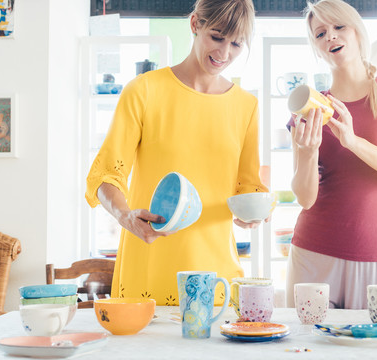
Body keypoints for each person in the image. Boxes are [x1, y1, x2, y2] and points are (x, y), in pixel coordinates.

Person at [85, 0, 268, 306]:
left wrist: (254, 212)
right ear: (196, 24)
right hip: (149, 260)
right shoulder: (143, 91)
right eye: (217, 37)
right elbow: (106, 174)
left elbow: (248, 186)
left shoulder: (246, 106)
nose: (224, 53)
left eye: (236, 44)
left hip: (215, 271)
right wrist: (124, 215)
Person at [285, 0, 377, 309]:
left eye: (338, 27)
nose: (330, 37)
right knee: (307, 353)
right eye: (320, 33)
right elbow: (305, 199)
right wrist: (308, 153)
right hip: (313, 254)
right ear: (316, 47)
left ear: (357, 32)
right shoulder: (310, 108)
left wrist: (353, 141)